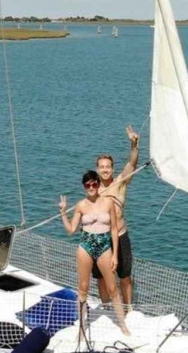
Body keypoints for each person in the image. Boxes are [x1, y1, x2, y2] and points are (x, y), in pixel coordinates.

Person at [59, 170, 130, 339]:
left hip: (105, 246)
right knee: (83, 288)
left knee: (113, 288)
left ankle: (123, 325)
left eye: (94, 184)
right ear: (84, 186)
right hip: (86, 246)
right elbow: (71, 230)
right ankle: (82, 328)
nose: (91, 187)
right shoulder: (81, 205)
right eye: (87, 185)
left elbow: (114, 229)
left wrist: (114, 255)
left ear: (98, 184)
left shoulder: (108, 203)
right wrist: (63, 213)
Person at [93, 125, 141, 311]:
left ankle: (129, 309)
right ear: (97, 170)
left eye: (108, 167)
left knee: (125, 276)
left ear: (112, 169)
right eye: (102, 167)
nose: (105, 170)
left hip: (120, 236)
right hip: (100, 238)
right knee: (101, 277)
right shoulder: (94, 189)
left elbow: (132, 164)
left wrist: (134, 145)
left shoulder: (120, 183)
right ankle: (107, 308)